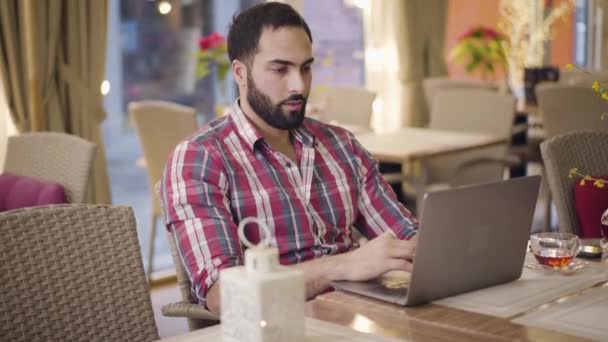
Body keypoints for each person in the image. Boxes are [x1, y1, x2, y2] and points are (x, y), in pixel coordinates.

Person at [161, 2, 418, 317]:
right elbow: (224, 294)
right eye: (280, 69)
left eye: (306, 67)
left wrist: (435, 249)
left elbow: (405, 234)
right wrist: (343, 265)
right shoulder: (200, 159)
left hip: (360, 320)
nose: (299, 85)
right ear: (240, 72)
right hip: (276, 327)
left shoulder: (341, 146)